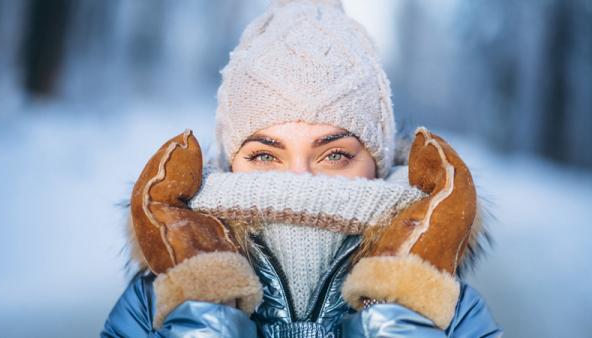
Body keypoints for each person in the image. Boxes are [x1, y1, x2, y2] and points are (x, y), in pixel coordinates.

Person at [101, 0, 502, 337]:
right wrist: (201, 308)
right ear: (229, 163)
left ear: (378, 164)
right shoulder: (155, 302)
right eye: (264, 156)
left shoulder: (447, 309)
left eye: (334, 155)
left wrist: (404, 310)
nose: (298, 183)